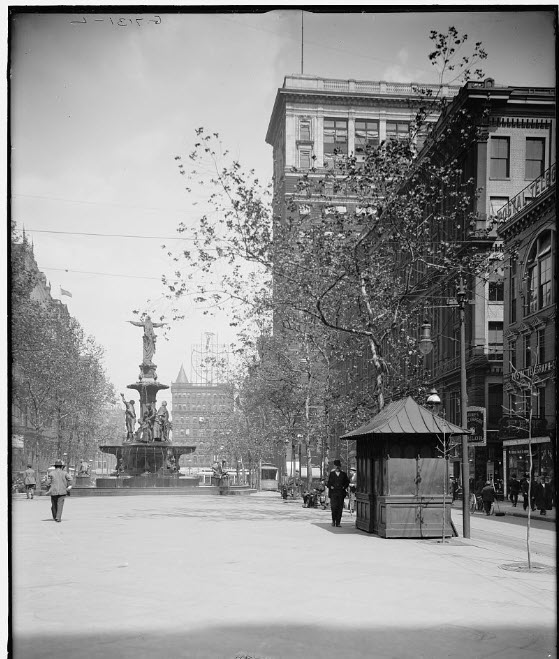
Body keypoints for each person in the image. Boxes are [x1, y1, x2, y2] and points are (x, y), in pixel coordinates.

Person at [327, 459, 350, 527]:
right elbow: (328, 483)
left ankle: (338, 522)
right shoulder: (332, 474)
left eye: (338, 466)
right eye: (336, 466)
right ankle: (333, 521)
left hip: (340, 493)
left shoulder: (343, 474)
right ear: (334, 466)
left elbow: (347, 482)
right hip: (333, 493)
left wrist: (344, 487)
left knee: (340, 508)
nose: (337, 467)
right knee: (334, 507)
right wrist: (330, 487)